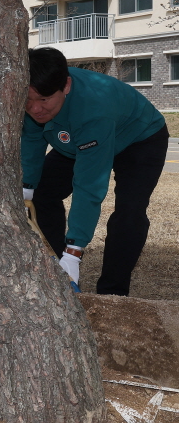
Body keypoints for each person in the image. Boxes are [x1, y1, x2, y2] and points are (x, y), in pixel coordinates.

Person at [22, 47, 168, 296]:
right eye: (28, 101)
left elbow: (89, 186)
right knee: (42, 193)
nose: (35, 109)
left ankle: (112, 293)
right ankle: (59, 271)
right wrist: (27, 189)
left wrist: (75, 251)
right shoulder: (33, 96)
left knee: (129, 212)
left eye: (44, 100)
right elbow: (33, 142)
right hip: (79, 142)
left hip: (138, 139)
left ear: (66, 86)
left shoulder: (92, 110)